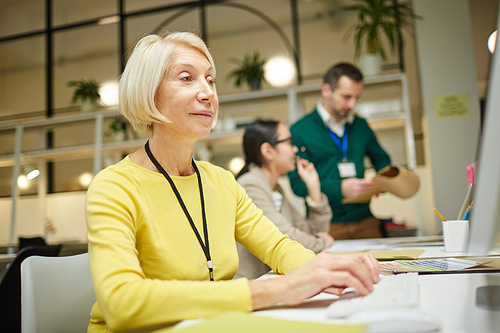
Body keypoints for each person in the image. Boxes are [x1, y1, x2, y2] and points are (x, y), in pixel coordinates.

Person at [85, 32, 379, 332]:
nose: (207, 93)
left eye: (210, 80)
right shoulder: (115, 186)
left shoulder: (220, 181)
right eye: (187, 78)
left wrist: (323, 269)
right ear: (149, 93)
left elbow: (278, 246)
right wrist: (277, 290)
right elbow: (121, 302)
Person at [288, 63, 391, 240]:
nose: (352, 104)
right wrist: (340, 188)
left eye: (357, 97)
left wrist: (383, 181)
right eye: (346, 96)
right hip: (326, 226)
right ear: (326, 90)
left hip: (366, 222)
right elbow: (298, 184)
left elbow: (382, 159)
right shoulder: (299, 130)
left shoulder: (361, 126)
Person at [234, 120, 334, 279]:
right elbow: (285, 236)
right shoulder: (249, 185)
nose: (295, 149)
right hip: (252, 284)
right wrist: (321, 242)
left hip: (272, 278)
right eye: (289, 143)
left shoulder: (275, 187)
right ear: (268, 151)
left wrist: (313, 187)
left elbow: (312, 231)